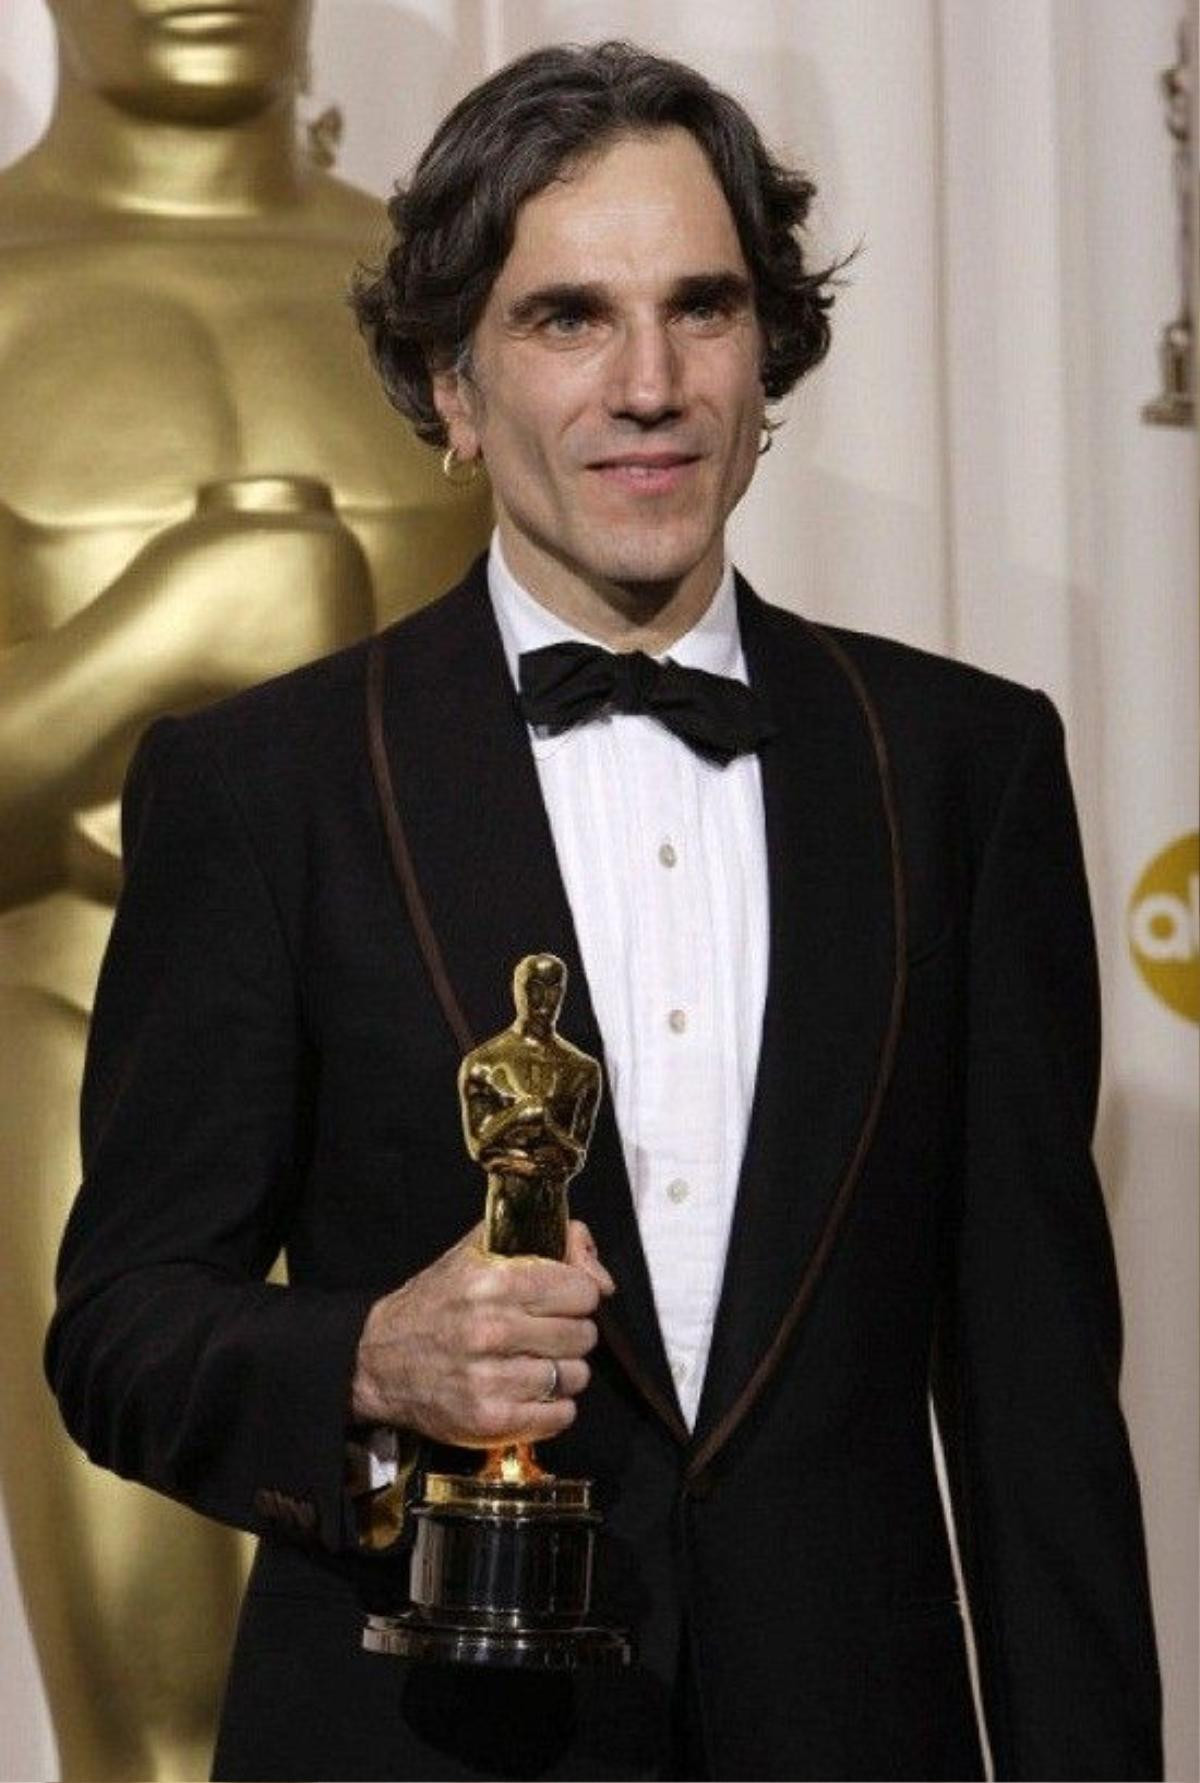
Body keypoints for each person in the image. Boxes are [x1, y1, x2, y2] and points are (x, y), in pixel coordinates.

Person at [47, 40, 1162, 1783]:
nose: (649, 383)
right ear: (452, 388)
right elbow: (120, 1327)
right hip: (417, 1742)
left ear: (768, 353)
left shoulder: (964, 769)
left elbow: (1037, 1421)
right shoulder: (266, 788)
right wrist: (369, 1358)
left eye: (702, 310)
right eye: (568, 318)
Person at [0, 1, 487, 1775]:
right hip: (76, 1057)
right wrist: (158, 639)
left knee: (511, 1690)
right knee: (160, 1736)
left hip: (462, 1069)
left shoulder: (466, 289)